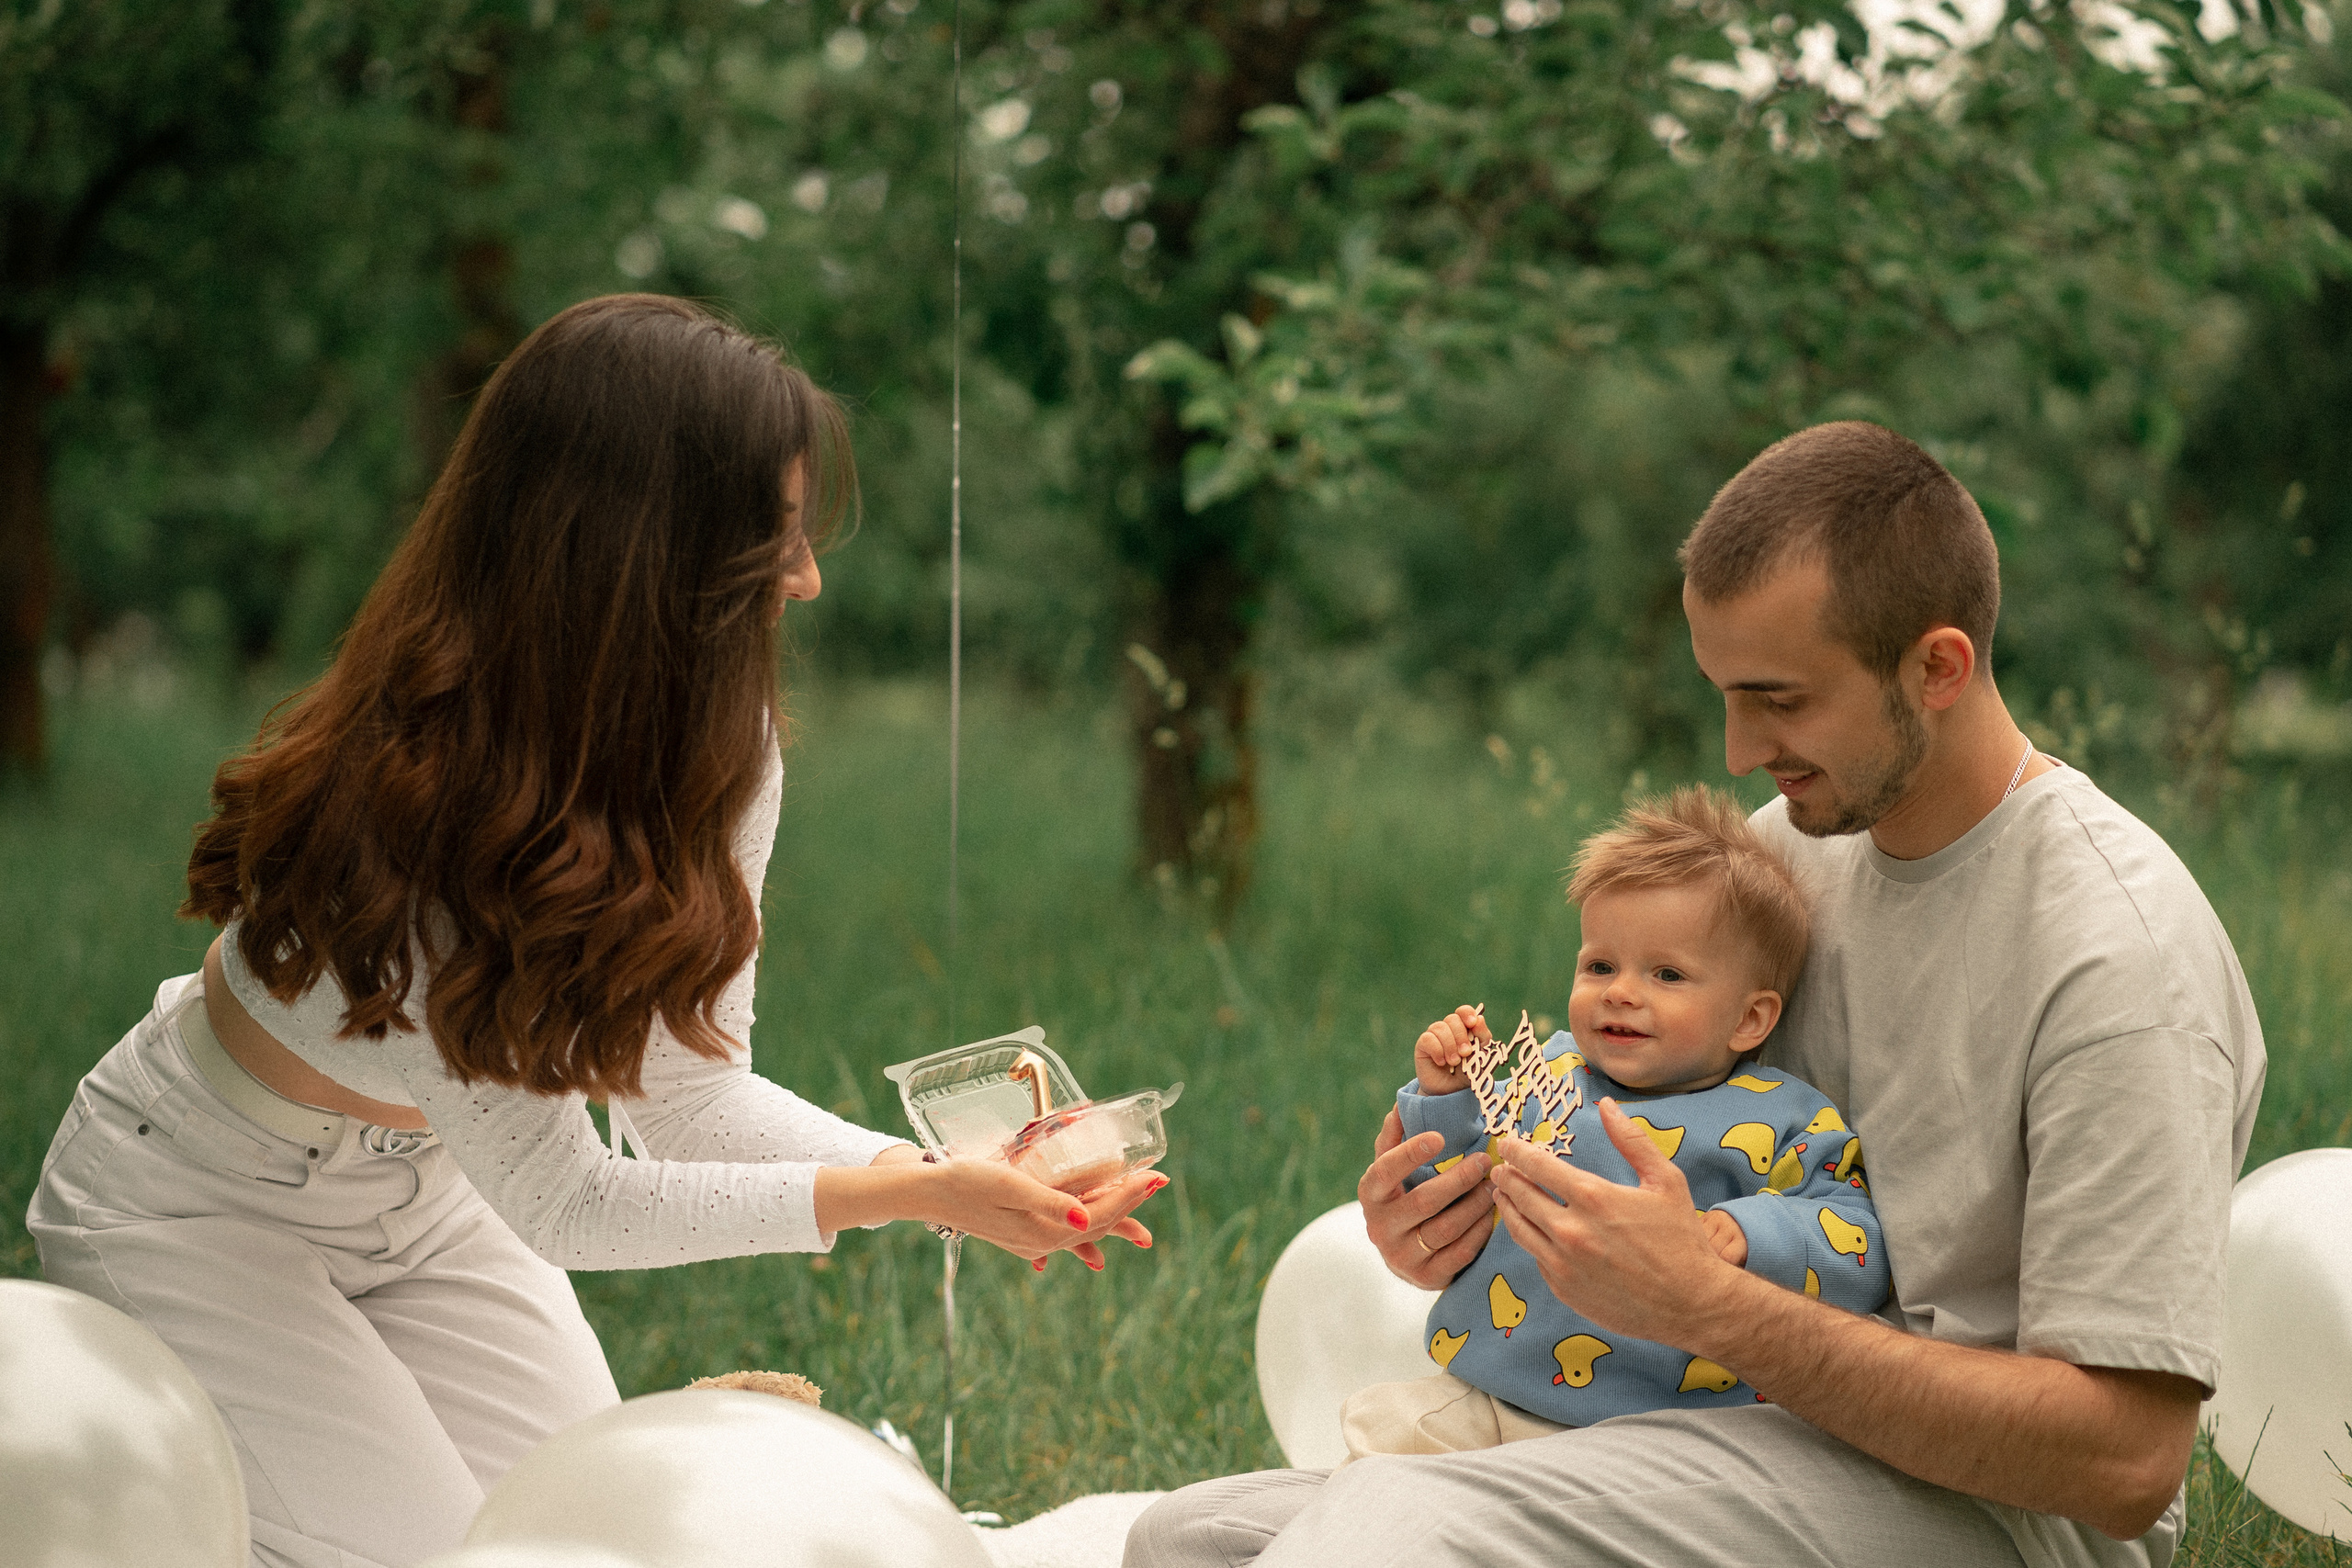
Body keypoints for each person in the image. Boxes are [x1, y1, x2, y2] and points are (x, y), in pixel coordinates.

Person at [28, 294, 1161, 1568]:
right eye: (775, 534)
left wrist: (947, 1181)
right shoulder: (432, 803)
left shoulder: (723, 747)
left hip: (440, 1197)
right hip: (204, 1205)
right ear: (644, 550)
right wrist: (902, 1191)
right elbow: (572, 1200)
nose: (806, 575)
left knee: (594, 1533)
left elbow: (690, 1100)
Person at [1126, 421, 2263, 1568]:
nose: (1735, 749)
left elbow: (2125, 1463)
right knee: (1191, 1541)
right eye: (1722, 694)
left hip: (1996, 1513)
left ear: (1937, 668)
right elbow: (1669, 1126)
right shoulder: (1793, 855)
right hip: (1728, 1415)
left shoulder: (2120, 962)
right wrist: (1457, 1224)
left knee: (1394, 1527)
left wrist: (1709, 1303)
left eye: (1778, 700)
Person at [1340, 787, 1885, 1461]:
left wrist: (1749, 1232)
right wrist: (1446, 1094)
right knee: (1382, 1439)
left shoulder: (1783, 1114)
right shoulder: (1550, 1073)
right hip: (1494, 1395)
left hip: (1670, 1430)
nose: (1620, 991)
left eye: (1667, 974)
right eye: (1600, 965)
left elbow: (1858, 1242)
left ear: (1750, 1019)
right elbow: (1456, 1185)